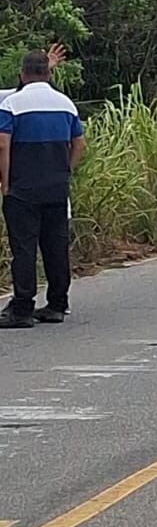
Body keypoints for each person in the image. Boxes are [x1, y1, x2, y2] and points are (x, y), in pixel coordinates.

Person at [0, 49, 85, 328]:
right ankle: (57, 304)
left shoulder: (12, 104)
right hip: (56, 187)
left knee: (24, 248)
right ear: (48, 74)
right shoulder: (65, 104)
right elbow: (79, 143)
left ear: (22, 74)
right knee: (55, 247)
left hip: (23, 188)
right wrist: (66, 171)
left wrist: (5, 182)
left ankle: (22, 308)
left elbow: (3, 144)